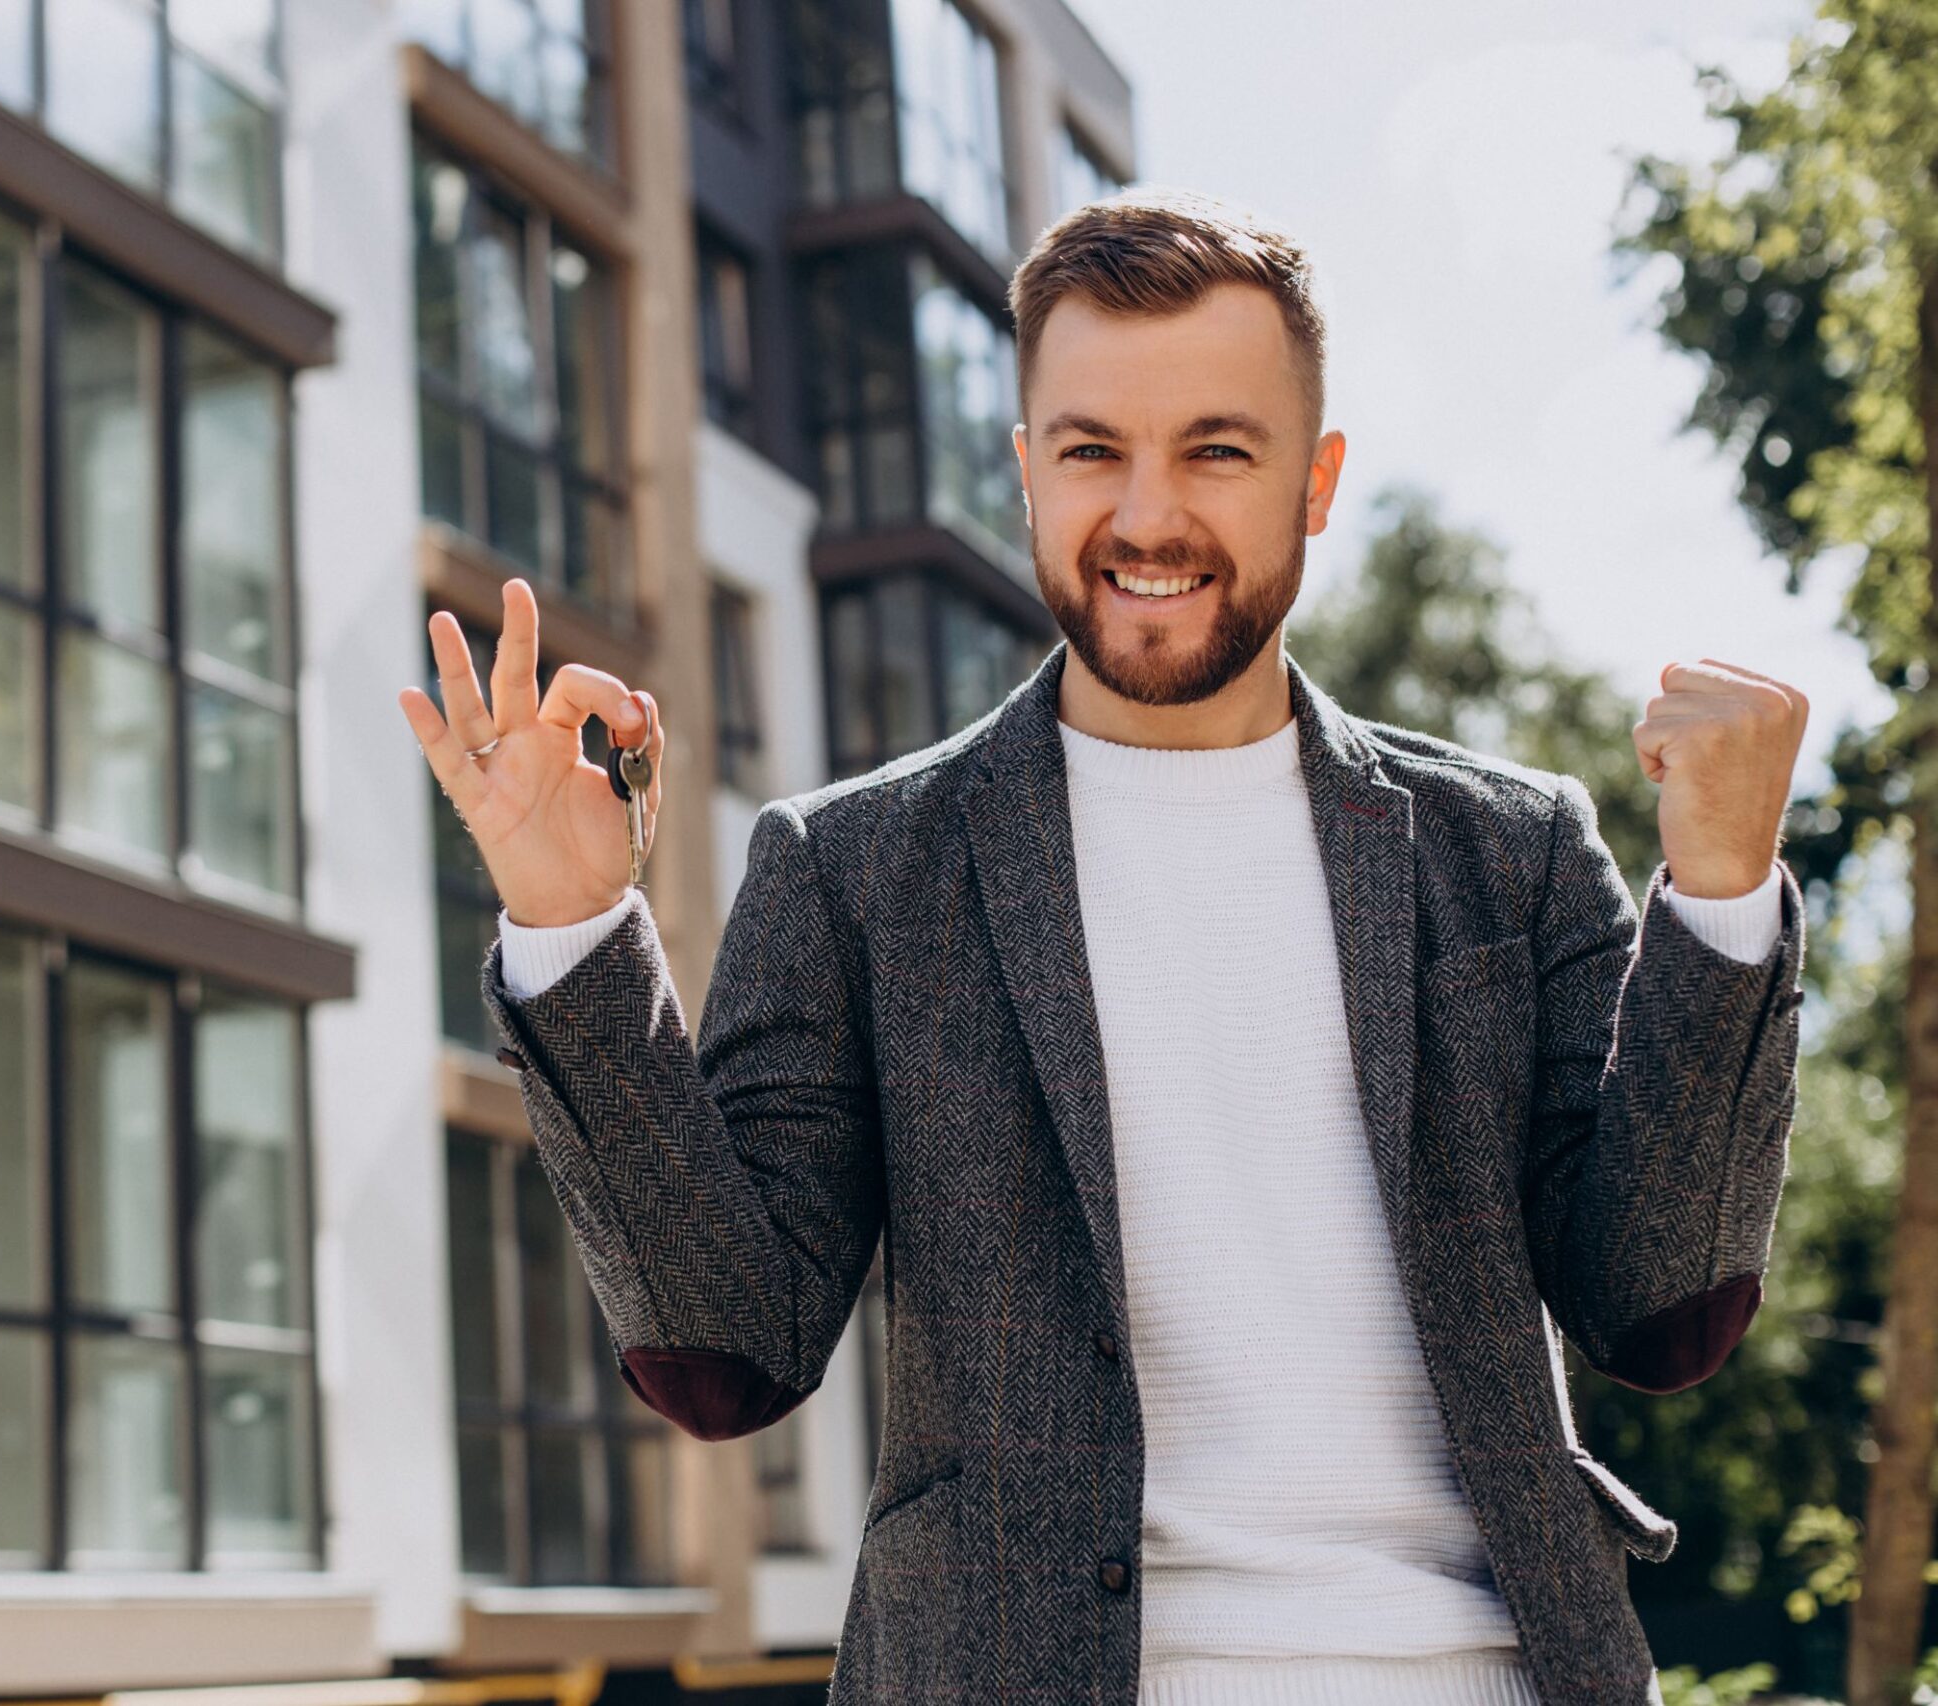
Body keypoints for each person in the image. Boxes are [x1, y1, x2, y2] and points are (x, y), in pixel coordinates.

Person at [396, 189, 1808, 1706]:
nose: (1147, 515)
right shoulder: (860, 869)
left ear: (1315, 481)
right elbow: (726, 1350)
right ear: (1023, 474)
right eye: (1091, 451)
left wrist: (1721, 892)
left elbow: (1661, 1308)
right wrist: (572, 925)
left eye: (1217, 448)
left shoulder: (1507, 850)